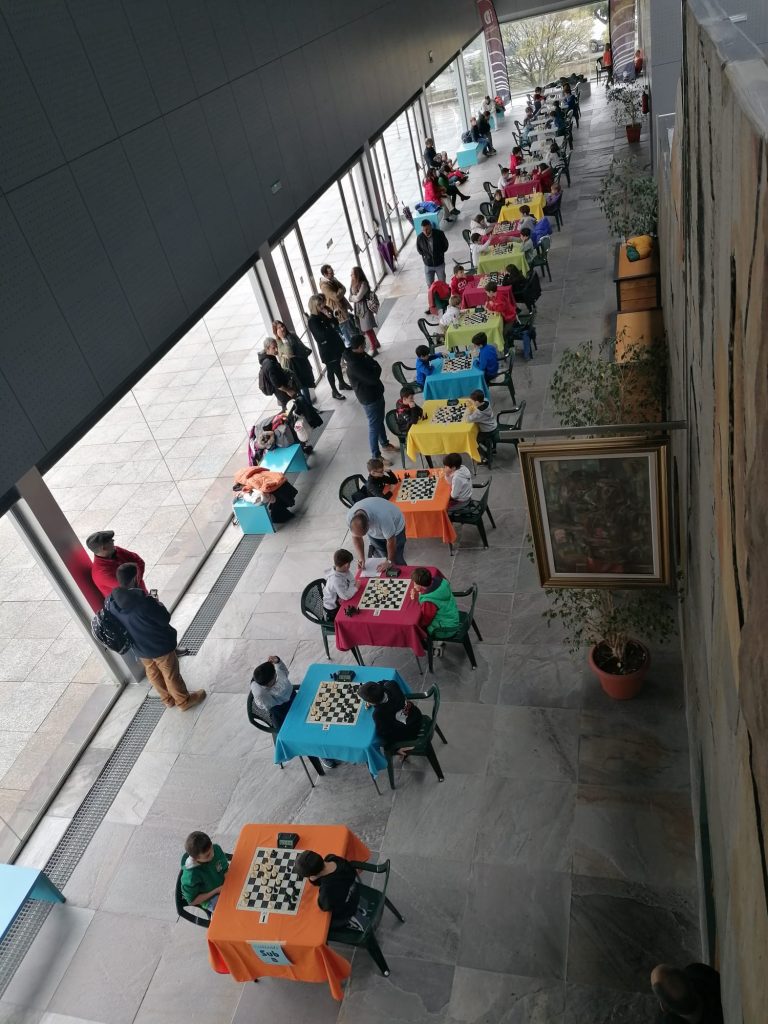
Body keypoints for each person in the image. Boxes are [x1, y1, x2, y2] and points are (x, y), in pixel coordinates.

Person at [106, 562, 206, 710]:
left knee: (152, 672)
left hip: (138, 647)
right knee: (170, 673)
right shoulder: (144, 602)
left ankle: (167, 699)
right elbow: (164, 618)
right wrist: (157, 603)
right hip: (158, 645)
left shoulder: (110, 602)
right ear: (135, 578)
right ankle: (183, 701)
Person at [342, 334, 398, 463]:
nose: (366, 347)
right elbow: (372, 379)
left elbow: (376, 365)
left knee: (379, 421)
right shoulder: (354, 365)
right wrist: (374, 370)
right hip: (369, 398)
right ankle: (376, 455)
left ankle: (384, 444)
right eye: (364, 345)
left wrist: (374, 370)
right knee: (374, 426)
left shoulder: (362, 355)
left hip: (376, 393)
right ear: (359, 347)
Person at [295, 850, 364, 930]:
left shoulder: (327, 890)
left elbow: (324, 906)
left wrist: (313, 880)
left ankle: (352, 923)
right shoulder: (332, 858)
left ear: (313, 875)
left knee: (313, 924)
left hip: (347, 910)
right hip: (355, 890)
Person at [307, 294, 352, 400]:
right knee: (331, 369)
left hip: (335, 344)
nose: (322, 306)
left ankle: (342, 383)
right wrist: (330, 326)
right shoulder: (312, 320)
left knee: (337, 365)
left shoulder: (323, 313)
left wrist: (330, 317)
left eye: (322, 303)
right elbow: (321, 336)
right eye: (319, 305)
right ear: (314, 306)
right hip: (327, 349)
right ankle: (334, 391)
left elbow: (336, 323)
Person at [650, 963, 723, 1024]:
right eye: (673, 986)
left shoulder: (699, 973)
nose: (680, 983)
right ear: (664, 1007)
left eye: (676, 974)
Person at [358, 679, 423, 746]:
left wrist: (390, 748)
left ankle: (400, 749)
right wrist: (375, 687)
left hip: (409, 732)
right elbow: (384, 682)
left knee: (383, 741)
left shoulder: (378, 714)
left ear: (371, 703)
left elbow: (384, 733)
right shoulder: (391, 685)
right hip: (416, 715)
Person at [346, 497, 407, 569]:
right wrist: (361, 558)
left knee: (396, 559)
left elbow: (391, 540)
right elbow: (356, 538)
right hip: (378, 531)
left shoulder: (382, 517)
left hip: (396, 529)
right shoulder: (350, 517)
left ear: (369, 525)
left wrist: (390, 561)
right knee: (382, 557)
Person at [411, 567, 460, 654]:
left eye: (414, 583)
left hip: (446, 629)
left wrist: (418, 598)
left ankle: (433, 650)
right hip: (452, 615)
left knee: (416, 631)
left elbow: (425, 621)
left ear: (420, 585)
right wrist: (420, 595)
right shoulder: (442, 581)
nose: (413, 585)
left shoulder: (429, 601)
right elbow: (433, 595)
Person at [87, 530, 147, 599]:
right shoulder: (102, 573)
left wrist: (137, 578)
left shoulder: (116, 550)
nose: (113, 541)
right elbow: (131, 586)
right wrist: (138, 575)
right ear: (104, 548)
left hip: (141, 593)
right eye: (111, 541)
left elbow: (139, 561)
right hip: (133, 601)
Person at [180, 831, 229, 911]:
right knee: (228, 911)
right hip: (211, 898)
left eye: (211, 848)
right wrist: (216, 890)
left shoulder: (216, 849)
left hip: (224, 885)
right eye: (207, 855)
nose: (212, 855)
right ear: (195, 859)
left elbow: (225, 869)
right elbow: (192, 901)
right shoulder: (191, 876)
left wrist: (229, 884)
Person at [272, 320, 315, 406]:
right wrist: (283, 339)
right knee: (300, 388)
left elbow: (300, 346)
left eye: (282, 326)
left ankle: (310, 407)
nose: (282, 329)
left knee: (305, 386)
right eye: (279, 328)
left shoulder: (292, 335)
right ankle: (308, 408)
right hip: (291, 367)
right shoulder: (278, 342)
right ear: (276, 331)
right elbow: (289, 353)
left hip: (300, 363)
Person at [250, 655, 295, 729]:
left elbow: (257, 692)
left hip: (283, 708)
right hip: (285, 707)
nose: (275, 674)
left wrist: (254, 680)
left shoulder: (262, 694)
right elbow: (283, 669)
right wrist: (277, 661)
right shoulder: (280, 675)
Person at [416, 221, 449, 313]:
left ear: (430, 226)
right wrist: (426, 257)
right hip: (428, 265)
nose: (425, 231)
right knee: (430, 286)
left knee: (442, 284)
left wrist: (439, 254)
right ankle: (432, 306)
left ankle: (445, 303)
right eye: (423, 230)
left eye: (427, 229)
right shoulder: (420, 237)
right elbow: (419, 250)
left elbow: (445, 246)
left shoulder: (439, 234)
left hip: (439, 264)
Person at [319, 265, 356, 346]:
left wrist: (340, 291)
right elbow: (336, 297)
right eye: (331, 273)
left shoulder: (333, 279)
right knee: (344, 328)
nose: (333, 274)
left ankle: (354, 343)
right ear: (325, 274)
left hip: (342, 306)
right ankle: (350, 345)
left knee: (348, 325)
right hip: (336, 310)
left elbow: (344, 288)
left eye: (333, 272)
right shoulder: (324, 286)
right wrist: (340, 290)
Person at [258, 338, 297, 410]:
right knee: (291, 409)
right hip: (283, 393)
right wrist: (288, 391)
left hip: (282, 392)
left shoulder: (269, 358)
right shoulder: (269, 364)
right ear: (267, 349)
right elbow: (276, 384)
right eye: (273, 348)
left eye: (276, 346)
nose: (276, 349)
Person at [349, 265, 380, 355]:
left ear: (357, 275)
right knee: (366, 329)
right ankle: (376, 343)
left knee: (367, 328)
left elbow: (357, 298)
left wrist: (353, 297)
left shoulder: (363, 284)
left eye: (352, 274)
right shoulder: (353, 283)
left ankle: (374, 348)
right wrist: (354, 298)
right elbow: (350, 297)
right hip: (358, 309)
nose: (351, 276)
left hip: (365, 308)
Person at [322, 549, 358, 620]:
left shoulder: (343, 570)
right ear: (347, 565)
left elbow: (352, 580)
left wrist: (353, 586)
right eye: (349, 564)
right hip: (333, 608)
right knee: (351, 617)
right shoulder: (335, 580)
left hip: (341, 598)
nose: (349, 566)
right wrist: (355, 588)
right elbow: (345, 596)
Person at [484, 281, 520, 350]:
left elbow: (498, 310)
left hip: (511, 319)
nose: (487, 294)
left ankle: (508, 348)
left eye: (487, 293)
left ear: (491, 292)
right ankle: (508, 346)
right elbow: (492, 305)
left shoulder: (500, 298)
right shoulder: (495, 295)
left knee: (503, 333)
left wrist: (490, 306)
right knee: (500, 329)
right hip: (505, 317)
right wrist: (490, 305)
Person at [465, 389, 499, 461]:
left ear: (477, 402)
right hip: (493, 425)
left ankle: (487, 455)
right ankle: (488, 448)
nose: (472, 403)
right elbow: (477, 407)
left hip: (488, 431)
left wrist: (468, 410)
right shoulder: (486, 401)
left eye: (473, 402)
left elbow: (468, 419)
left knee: (473, 441)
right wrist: (472, 404)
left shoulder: (480, 413)